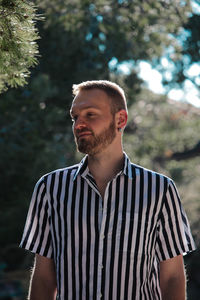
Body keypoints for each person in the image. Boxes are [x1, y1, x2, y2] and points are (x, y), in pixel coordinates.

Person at [20, 80, 196, 300]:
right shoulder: (49, 188)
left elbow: (172, 277)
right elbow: (44, 278)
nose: (78, 124)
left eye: (90, 115)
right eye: (75, 117)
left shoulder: (160, 190)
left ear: (120, 119)